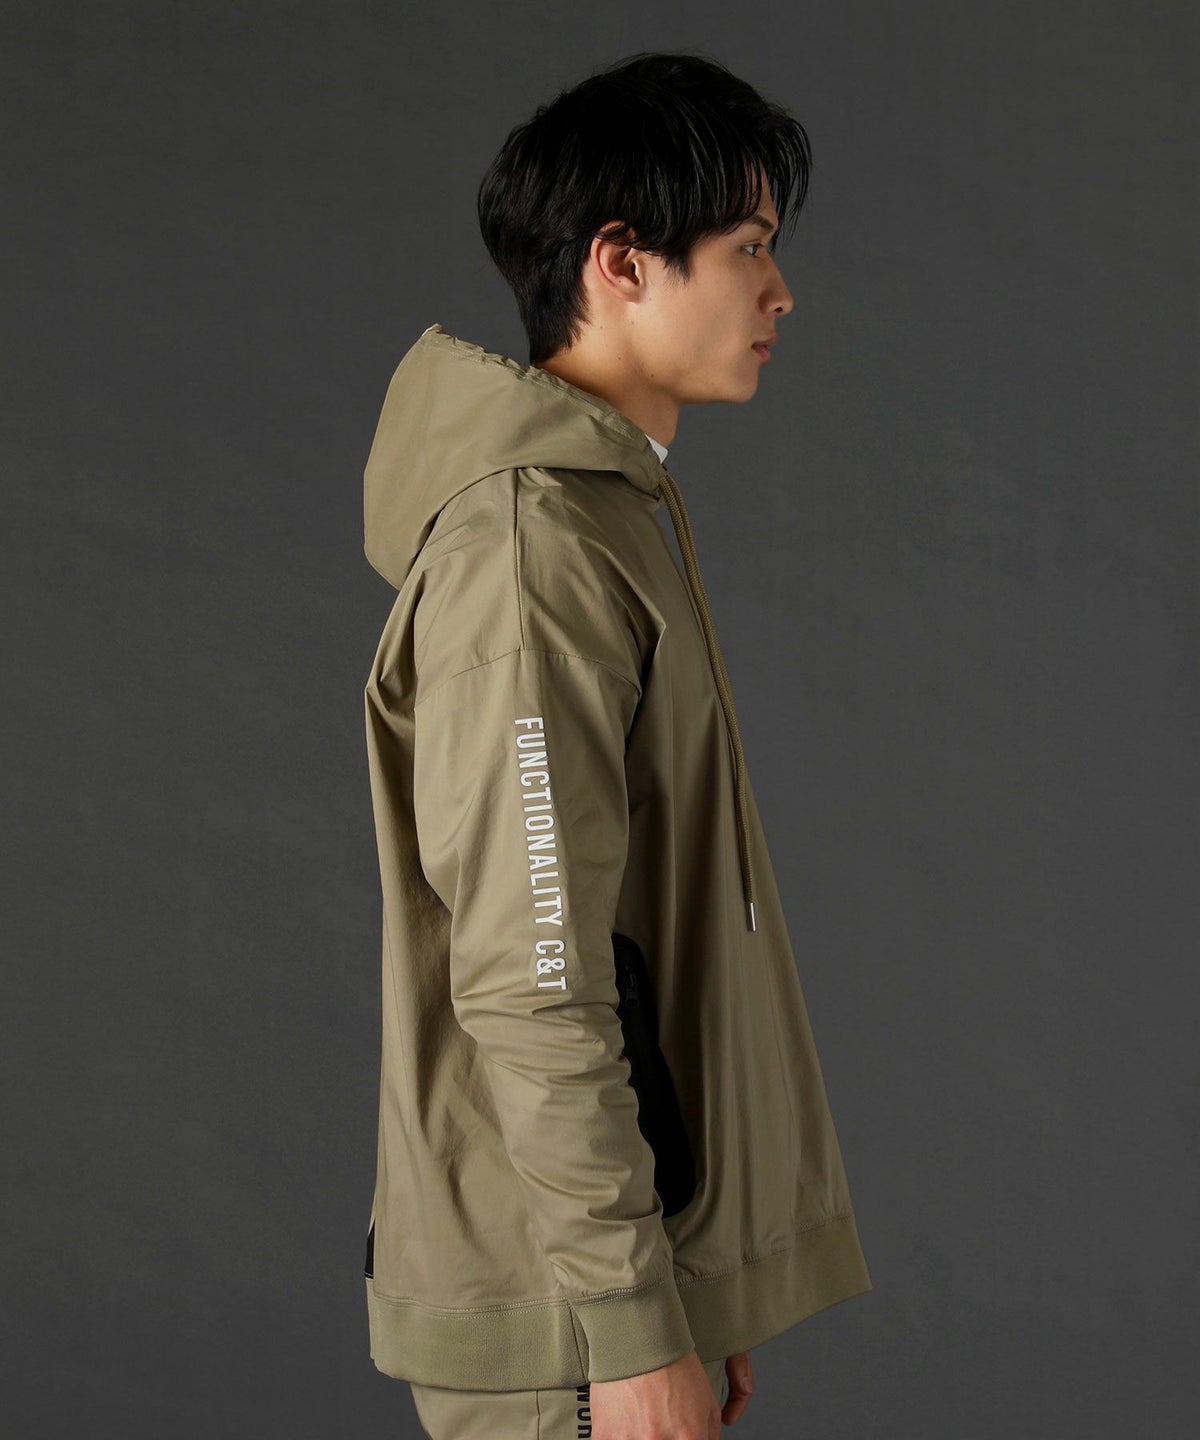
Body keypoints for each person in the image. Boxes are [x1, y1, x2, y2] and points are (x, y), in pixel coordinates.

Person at [359, 50, 873, 1439]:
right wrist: (634, 1320)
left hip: (616, 1290)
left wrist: (702, 1285)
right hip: (561, 1318)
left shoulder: (607, 520)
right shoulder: (532, 551)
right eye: (750, 246)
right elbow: (533, 973)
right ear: (622, 261)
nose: (780, 290)